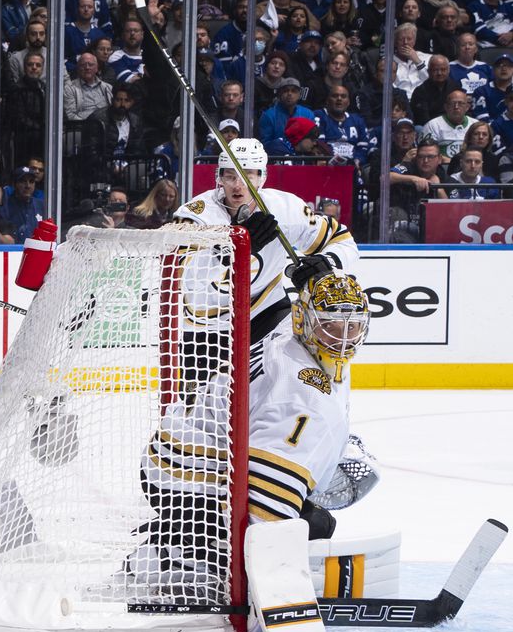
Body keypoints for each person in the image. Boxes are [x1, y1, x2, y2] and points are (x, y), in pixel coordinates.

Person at [130, 270, 373, 599]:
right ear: (306, 321)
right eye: (330, 325)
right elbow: (265, 506)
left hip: (183, 450)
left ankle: (185, 533)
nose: (342, 338)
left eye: (352, 326)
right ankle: (176, 557)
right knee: (311, 528)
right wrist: (271, 577)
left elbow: (283, 307)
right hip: (184, 475)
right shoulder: (300, 396)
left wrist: (317, 277)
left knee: (312, 522)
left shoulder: (292, 330)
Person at [176, 138, 359, 344]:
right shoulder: (195, 216)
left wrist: (326, 264)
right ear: (219, 178)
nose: (238, 185)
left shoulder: (285, 209)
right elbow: (184, 279)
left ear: (262, 177)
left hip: (266, 311)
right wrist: (236, 250)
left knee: (296, 367)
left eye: (248, 176)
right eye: (230, 176)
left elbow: (342, 239)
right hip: (207, 322)